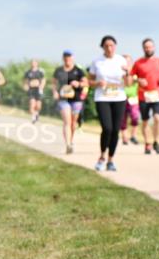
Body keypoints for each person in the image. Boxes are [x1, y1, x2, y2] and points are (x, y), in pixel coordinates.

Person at [88, 36, 130, 171]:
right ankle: (101, 157)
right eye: (106, 46)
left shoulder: (121, 60)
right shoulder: (97, 62)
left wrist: (128, 72)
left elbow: (128, 84)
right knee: (107, 128)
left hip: (119, 97)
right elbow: (89, 82)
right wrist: (97, 83)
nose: (109, 48)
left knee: (115, 130)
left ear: (115, 46)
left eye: (112, 45)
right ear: (102, 47)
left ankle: (111, 160)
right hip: (102, 97)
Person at [131, 38, 159, 155]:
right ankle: (147, 143)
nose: (148, 49)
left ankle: (156, 141)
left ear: (154, 48)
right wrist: (138, 80)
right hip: (143, 95)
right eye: (146, 47)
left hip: (157, 94)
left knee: (157, 118)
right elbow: (131, 77)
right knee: (145, 121)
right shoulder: (138, 63)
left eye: (150, 47)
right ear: (143, 48)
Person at [52, 50, 88, 154]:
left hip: (76, 99)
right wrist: (54, 92)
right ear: (63, 58)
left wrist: (79, 83)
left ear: (72, 57)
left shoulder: (78, 70)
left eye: (69, 56)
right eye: (65, 56)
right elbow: (53, 83)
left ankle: (71, 141)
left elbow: (86, 83)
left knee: (73, 123)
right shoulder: (58, 70)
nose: (67, 58)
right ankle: (67, 144)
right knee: (67, 121)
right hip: (63, 99)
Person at [120, 55, 141, 145]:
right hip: (122, 97)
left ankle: (133, 135)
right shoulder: (119, 72)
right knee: (123, 119)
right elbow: (126, 83)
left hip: (133, 98)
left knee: (135, 117)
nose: (127, 63)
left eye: (128, 61)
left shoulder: (135, 71)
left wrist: (129, 72)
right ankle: (124, 137)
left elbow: (130, 82)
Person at [22, 59, 46, 123]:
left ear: (37, 63)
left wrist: (41, 87)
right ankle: (33, 117)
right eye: (32, 62)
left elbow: (43, 80)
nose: (33, 64)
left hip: (38, 90)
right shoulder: (28, 72)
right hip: (31, 90)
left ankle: (37, 114)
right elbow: (25, 81)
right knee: (32, 104)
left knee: (38, 106)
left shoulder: (40, 71)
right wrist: (25, 86)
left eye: (34, 62)